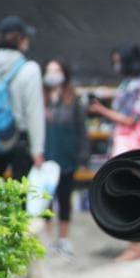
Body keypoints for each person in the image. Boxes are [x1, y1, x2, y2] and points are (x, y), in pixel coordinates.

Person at [89, 43, 140, 261]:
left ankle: (135, 245)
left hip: (131, 144)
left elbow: (129, 119)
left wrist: (101, 110)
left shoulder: (134, 85)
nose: (115, 64)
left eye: (118, 60)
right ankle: (134, 243)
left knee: (131, 190)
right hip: (128, 143)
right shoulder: (129, 84)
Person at [0, 15, 45, 180]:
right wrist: (37, 151)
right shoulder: (30, 69)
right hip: (20, 141)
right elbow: (34, 112)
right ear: (21, 39)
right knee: (20, 197)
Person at [42, 59, 89, 259]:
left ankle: (64, 239)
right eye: (49, 70)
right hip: (44, 157)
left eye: (57, 70)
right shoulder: (39, 97)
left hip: (66, 157)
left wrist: (82, 156)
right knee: (45, 202)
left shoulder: (73, 98)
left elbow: (81, 129)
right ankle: (45, 241)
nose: (53, 74)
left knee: (64, 198)